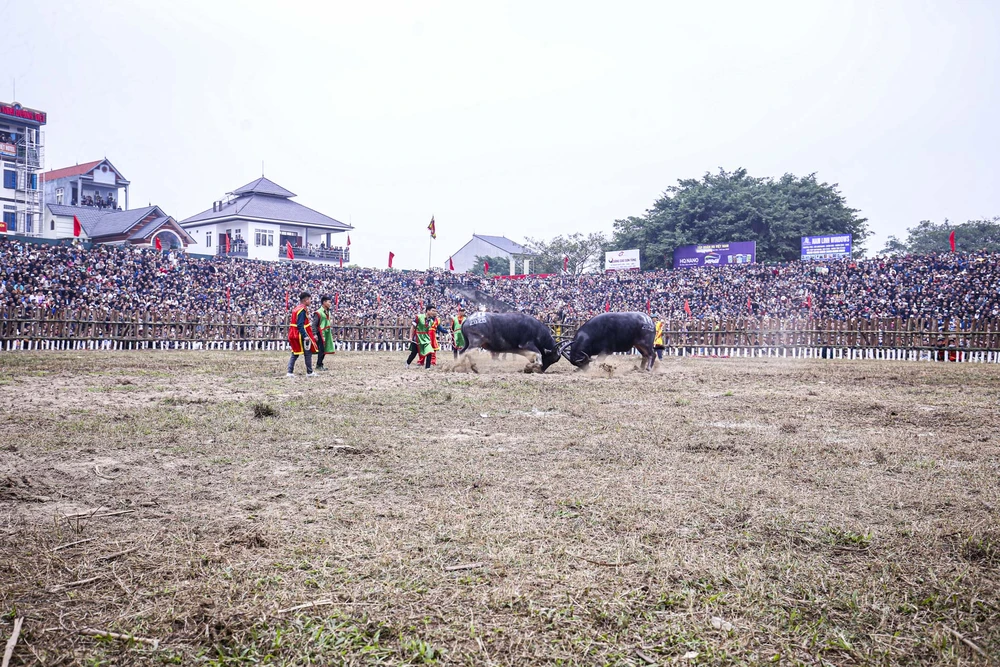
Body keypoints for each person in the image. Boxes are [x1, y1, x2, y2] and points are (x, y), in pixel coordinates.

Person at [287, 291, 319, 377]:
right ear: (305, 300)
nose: (310, 301)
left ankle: (289, 371)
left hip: (294, 333)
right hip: (299, 334)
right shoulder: (302, 310)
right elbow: (300, 324)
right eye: (309, 300)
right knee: (307, 353)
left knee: (295, 352)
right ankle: (309, 372)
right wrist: (305, 336)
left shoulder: (297, 308)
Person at [312, 295, 335, 370]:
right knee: (321, 349)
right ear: (324, 302)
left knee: (324, 350)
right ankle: (319, 365)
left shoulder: (328, 311)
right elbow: (314, 324)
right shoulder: (318, 312)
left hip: (326, 332)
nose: (330, 304)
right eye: (329, 302)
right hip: (320, 333)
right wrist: (315, 334)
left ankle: (320, 364)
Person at [413, 304, 438, 369]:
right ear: (428, 311)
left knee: (430, 350)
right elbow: (413, 327)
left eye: (435, 311)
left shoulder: (433, 320)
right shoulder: (419, 317)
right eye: (433, 311)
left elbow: (439, 328)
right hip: (419, 336)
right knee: (415, 352)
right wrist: (411, 336)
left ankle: (428, 367)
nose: (434, 312)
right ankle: (414, 362)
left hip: (428, 337)